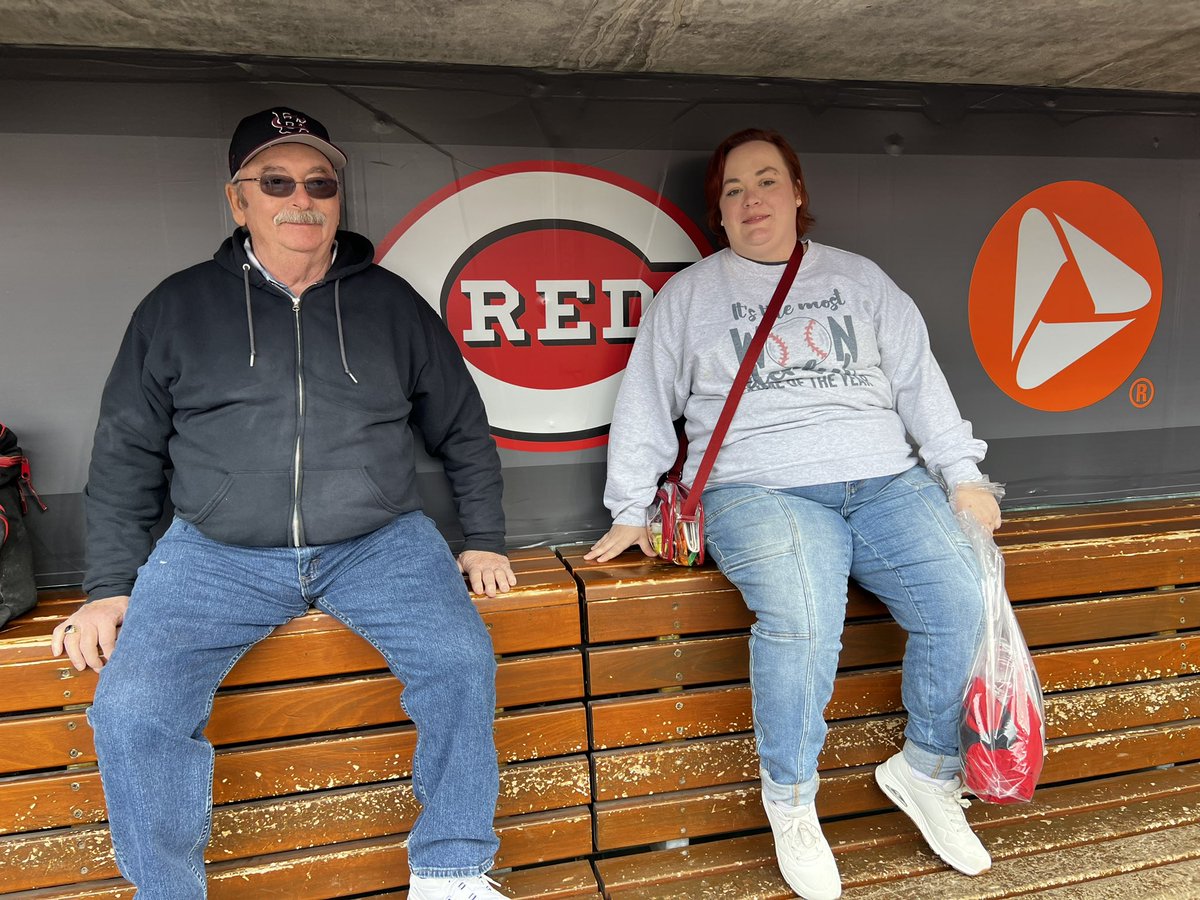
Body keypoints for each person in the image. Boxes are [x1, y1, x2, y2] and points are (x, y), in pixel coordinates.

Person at [50, 107, 514, 900]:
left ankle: (451, 870)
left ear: (339, 198)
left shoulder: (393, 304)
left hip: (378, 541)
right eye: (276, 182)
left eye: (319, 183)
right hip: (215, 552)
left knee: (460, 663)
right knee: (131, 710)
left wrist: (484, 537)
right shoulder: (177, 306)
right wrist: (107, 587)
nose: (301, 199)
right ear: (239, 200)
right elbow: (125, 452)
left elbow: (462, 427)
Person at [586, 128, 1001, 900]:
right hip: (759, 488)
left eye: (766, 181)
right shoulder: (693, 296)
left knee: (960, 599)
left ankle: (927, 771)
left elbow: (918, 380)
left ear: (798, 192)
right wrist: (631, 508)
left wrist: (962, 472)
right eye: (734, 190)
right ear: (718, 212)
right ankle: (792, 800)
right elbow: (645, 402)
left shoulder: (859, 279)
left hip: (885, 481)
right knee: (805, 616)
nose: (752, 201)